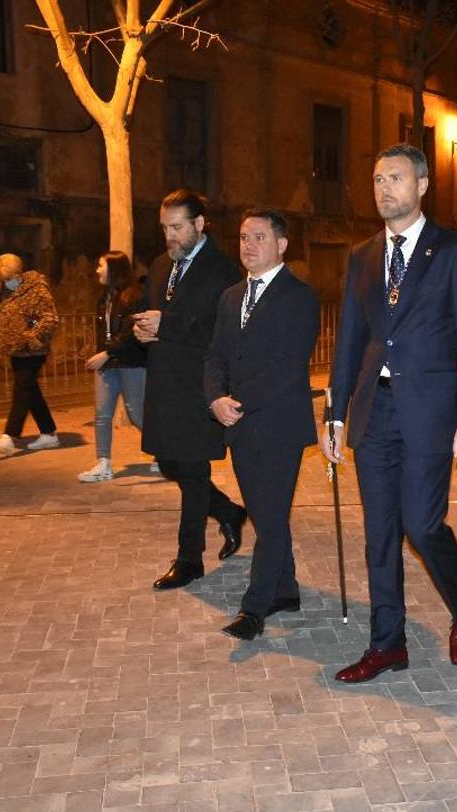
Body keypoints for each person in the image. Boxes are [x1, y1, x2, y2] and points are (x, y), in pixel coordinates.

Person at [320, 143, 457, 683]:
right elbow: (349, 340)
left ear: (421, 185)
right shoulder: (362, 255)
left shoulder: (455, 252)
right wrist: (335, 414)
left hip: (431, 411)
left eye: (394, 177)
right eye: (376, 179)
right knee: (379, 534)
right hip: (375, 410)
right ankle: (387, 644)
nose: (383, 188)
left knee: (421, 524)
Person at [206, 208, 320, 640]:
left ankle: (254, 610)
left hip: (278, 425)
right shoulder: (231, 296)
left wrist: (239, 401)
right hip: (237, 421)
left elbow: (288, 365)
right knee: (264, 512)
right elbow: (215, 353)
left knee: (269, 520)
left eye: (258, 236)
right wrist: (215, 397)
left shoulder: (300, 296)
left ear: (281, 244)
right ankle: (286, 589)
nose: (248, 245)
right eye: (242, 237)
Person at [133, 189, 247, 591]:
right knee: (169, 464)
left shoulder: (225, 272)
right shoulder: (161, 264)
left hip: (201, 387)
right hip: (165, 384)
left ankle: (189, 559)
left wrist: (167, 325)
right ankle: (230, 512)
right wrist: (143, 333)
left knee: (194, 472)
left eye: (177, 227)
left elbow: (221, 333)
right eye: (165, 228)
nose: (170, 236)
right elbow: (159, 317)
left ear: (200, 225)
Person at [0, 254, 61, 455]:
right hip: (15, 349)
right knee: (30, 390)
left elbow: (47, 318)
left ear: (18, 274)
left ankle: (10, 436)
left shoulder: (36, 289)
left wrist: (30, 333)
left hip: (33, 349)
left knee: (22, 388)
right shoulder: (3, 293)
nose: (7, 283)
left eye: (8, 279)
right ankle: (49, 434)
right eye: (2, 279)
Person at [78, 251, 147, 482]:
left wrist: (107, 353)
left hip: (130, 363)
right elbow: (105, 332)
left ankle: (167, 453)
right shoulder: (104, 297)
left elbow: (131, 335)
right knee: (102, 414)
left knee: (137, 414)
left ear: (114, 269)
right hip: (108, 364)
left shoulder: (134, 296)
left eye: (100, 265)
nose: (97, 270)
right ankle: (104, 463)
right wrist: (99, 352)